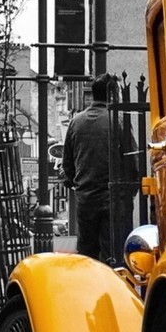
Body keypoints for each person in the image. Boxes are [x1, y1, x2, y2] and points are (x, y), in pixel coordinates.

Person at [63, 74, 133, 262]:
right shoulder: (117, 121)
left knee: (87, 254)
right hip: (112, 196)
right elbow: (131, 159)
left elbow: (67, 164)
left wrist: (77, 183)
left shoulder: (76, 122)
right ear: (112, 94)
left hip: (85, 198)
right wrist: (131, 190)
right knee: (113, 254)